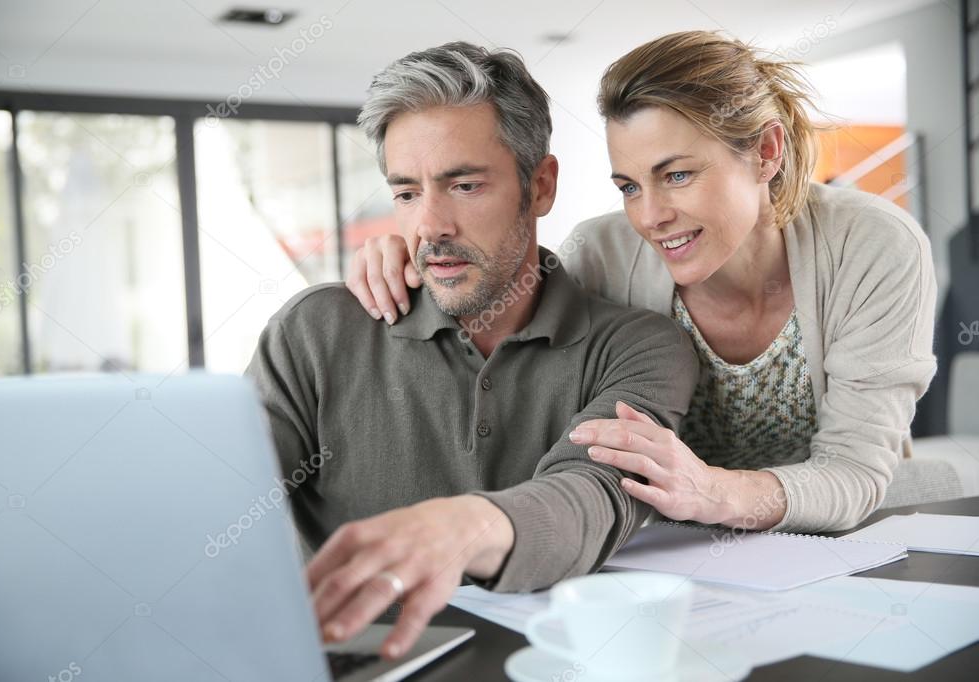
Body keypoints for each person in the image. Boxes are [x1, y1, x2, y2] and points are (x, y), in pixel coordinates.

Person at [345, 30, 938, 534]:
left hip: (835, 537)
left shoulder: (872, 247)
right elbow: (505, 319)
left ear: (765, 151)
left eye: (676, 175)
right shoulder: (600, 253)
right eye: (628, 185)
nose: (650, 216)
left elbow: (855, 471)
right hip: (668, 549)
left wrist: (716, 493)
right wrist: (422, 257)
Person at [245, 42, 697, 660]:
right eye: (406, 193)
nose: (430, 226)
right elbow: (219, 498)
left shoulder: (640, 347)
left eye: (463, 185)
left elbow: (595, 496)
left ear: (540, 187)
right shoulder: (316, 332)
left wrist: (460, 527)